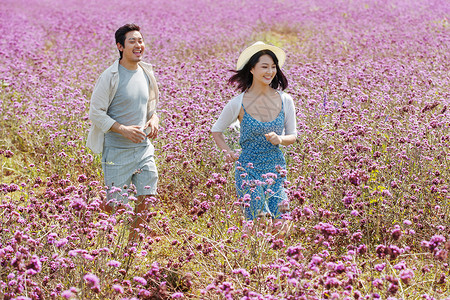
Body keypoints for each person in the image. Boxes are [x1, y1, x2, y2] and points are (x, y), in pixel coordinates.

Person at [211, 41, 297, 234]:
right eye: (264, 67)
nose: (270, 71)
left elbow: (293, 135)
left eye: (273, 67)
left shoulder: (285, 100)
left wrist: (280, 139)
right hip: (248, 171)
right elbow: (216, 131)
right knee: (260, 223)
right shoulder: (238, 102)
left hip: (276, 170)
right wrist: (228, 152)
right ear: (251, 69)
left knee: (283, 224)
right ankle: (253, 262)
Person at [86, 23, 159, 240]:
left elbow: (151, 109)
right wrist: (122, 129)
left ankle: (133, 247)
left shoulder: (146, 73)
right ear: (120, 46)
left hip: (143, 148)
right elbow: (95, 113)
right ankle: (87, 214)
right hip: (116, 150)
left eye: (140, 40)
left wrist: (154, 120)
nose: (139, 45)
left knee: (148, 195)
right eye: (132, 41)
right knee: (116, 206)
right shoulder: (110, 76)